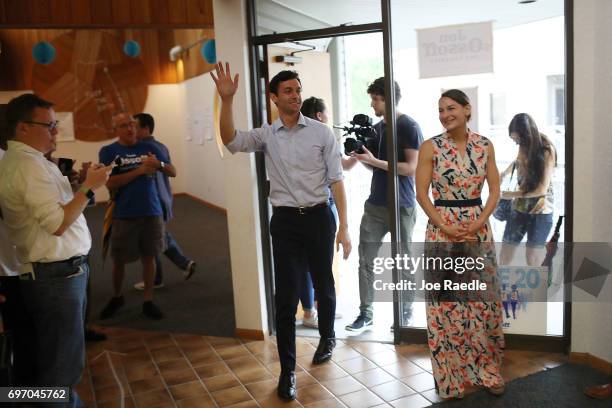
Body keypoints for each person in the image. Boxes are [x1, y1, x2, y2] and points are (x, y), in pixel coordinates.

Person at [211, 62, 351, 401]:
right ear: (274, 97)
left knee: (323, 284)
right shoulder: (266, 135)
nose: (296, 95)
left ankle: (327, 337)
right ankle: (287, 371)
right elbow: (230, 139)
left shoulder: (321, 132)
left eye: (298, 90)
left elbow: (337, 181)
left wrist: (344, 227)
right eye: (288, 91)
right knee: (285, 297)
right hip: (286, 222)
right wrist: (226, 100)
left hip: (319, 217)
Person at [0, 93, 111, 406]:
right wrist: (91, 187)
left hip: (55, 275)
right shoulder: (28, 166)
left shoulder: (29, 161)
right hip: (56, 278)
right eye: (48, 126)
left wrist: (76, 186)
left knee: (53, 364)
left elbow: (55, 211)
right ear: (22, 127)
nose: (55, 132)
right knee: (60, 371)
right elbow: (58, 224)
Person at [415, 89, 505, 399]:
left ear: (468, 110)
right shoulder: (431, 147)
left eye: (451, 108)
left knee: (481, 303)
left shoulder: (484, 145)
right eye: (440, 110)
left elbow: (494, 190)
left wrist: (478, 224)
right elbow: (421, 194)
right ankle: (451, 379)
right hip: (442, 231)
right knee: (446, 306)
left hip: (477, 229)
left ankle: (487, 371)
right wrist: (446, 227)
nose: (444, 114)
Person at [345, 77, 423, 332]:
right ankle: (365, 315)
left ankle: (405, 313)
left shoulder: (409, 126)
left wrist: (375, 162)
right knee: (365, 261)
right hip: (375, 205)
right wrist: (361, 156)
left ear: (387, 99)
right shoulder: (375, 129)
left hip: (402, 205)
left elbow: (411, 169)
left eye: (375, 99)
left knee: (403, 261)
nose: (371, 104)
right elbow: (373, 166)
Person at [98, 112, 171, 320]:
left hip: (151, 211)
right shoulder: (109, 151)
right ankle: (117, 296)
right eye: (123, 126)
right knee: (119, 260)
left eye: (131, 124)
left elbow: (171, 171)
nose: (129, 128)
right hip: (124, 213)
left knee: (149, 257)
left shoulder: (151, 147)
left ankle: (148, 300)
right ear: (116, 130)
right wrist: (139, 171)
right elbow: (109, 182)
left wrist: (159, 165)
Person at [298, 97, 349, 328]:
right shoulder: (323, 136)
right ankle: (315, 311)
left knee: (306, 263)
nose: (328, 116)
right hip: (322, 206)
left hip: (302, 208)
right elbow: (341, 171)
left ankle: (313, 311)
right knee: (320, 263)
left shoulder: (297, 138)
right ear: (319, 115)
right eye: (326, 111)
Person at [131, 113, 196, 290]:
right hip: (162, 199)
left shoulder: (147, 148)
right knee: (155, 238)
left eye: (134, 126)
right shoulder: (159, 145)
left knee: (153, 240)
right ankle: (170, 271)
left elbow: (171, 171)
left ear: (145, 128)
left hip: (154, 202)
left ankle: (174, 268)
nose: (131, 130)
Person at [499, 113, 556, 266]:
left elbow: (541, 190)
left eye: (518, 139)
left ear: (527, 135)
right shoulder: (523, 145)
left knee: (533, 259)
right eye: (514, 140)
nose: (517, 143)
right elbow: (519, 161)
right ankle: (502, 289)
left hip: (541, 212)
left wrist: (510, 194)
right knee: (505, 255)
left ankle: (536, 290)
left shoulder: (546, 149)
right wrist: (504, 173)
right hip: (520, 208)